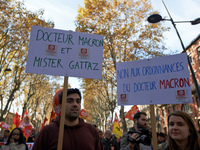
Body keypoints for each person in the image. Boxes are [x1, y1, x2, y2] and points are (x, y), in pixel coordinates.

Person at [32, 88, 103, 150]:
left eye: (78, 101)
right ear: (60, 106)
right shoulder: (47, 132)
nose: (75, 104)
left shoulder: (91, 130)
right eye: (70, 101)